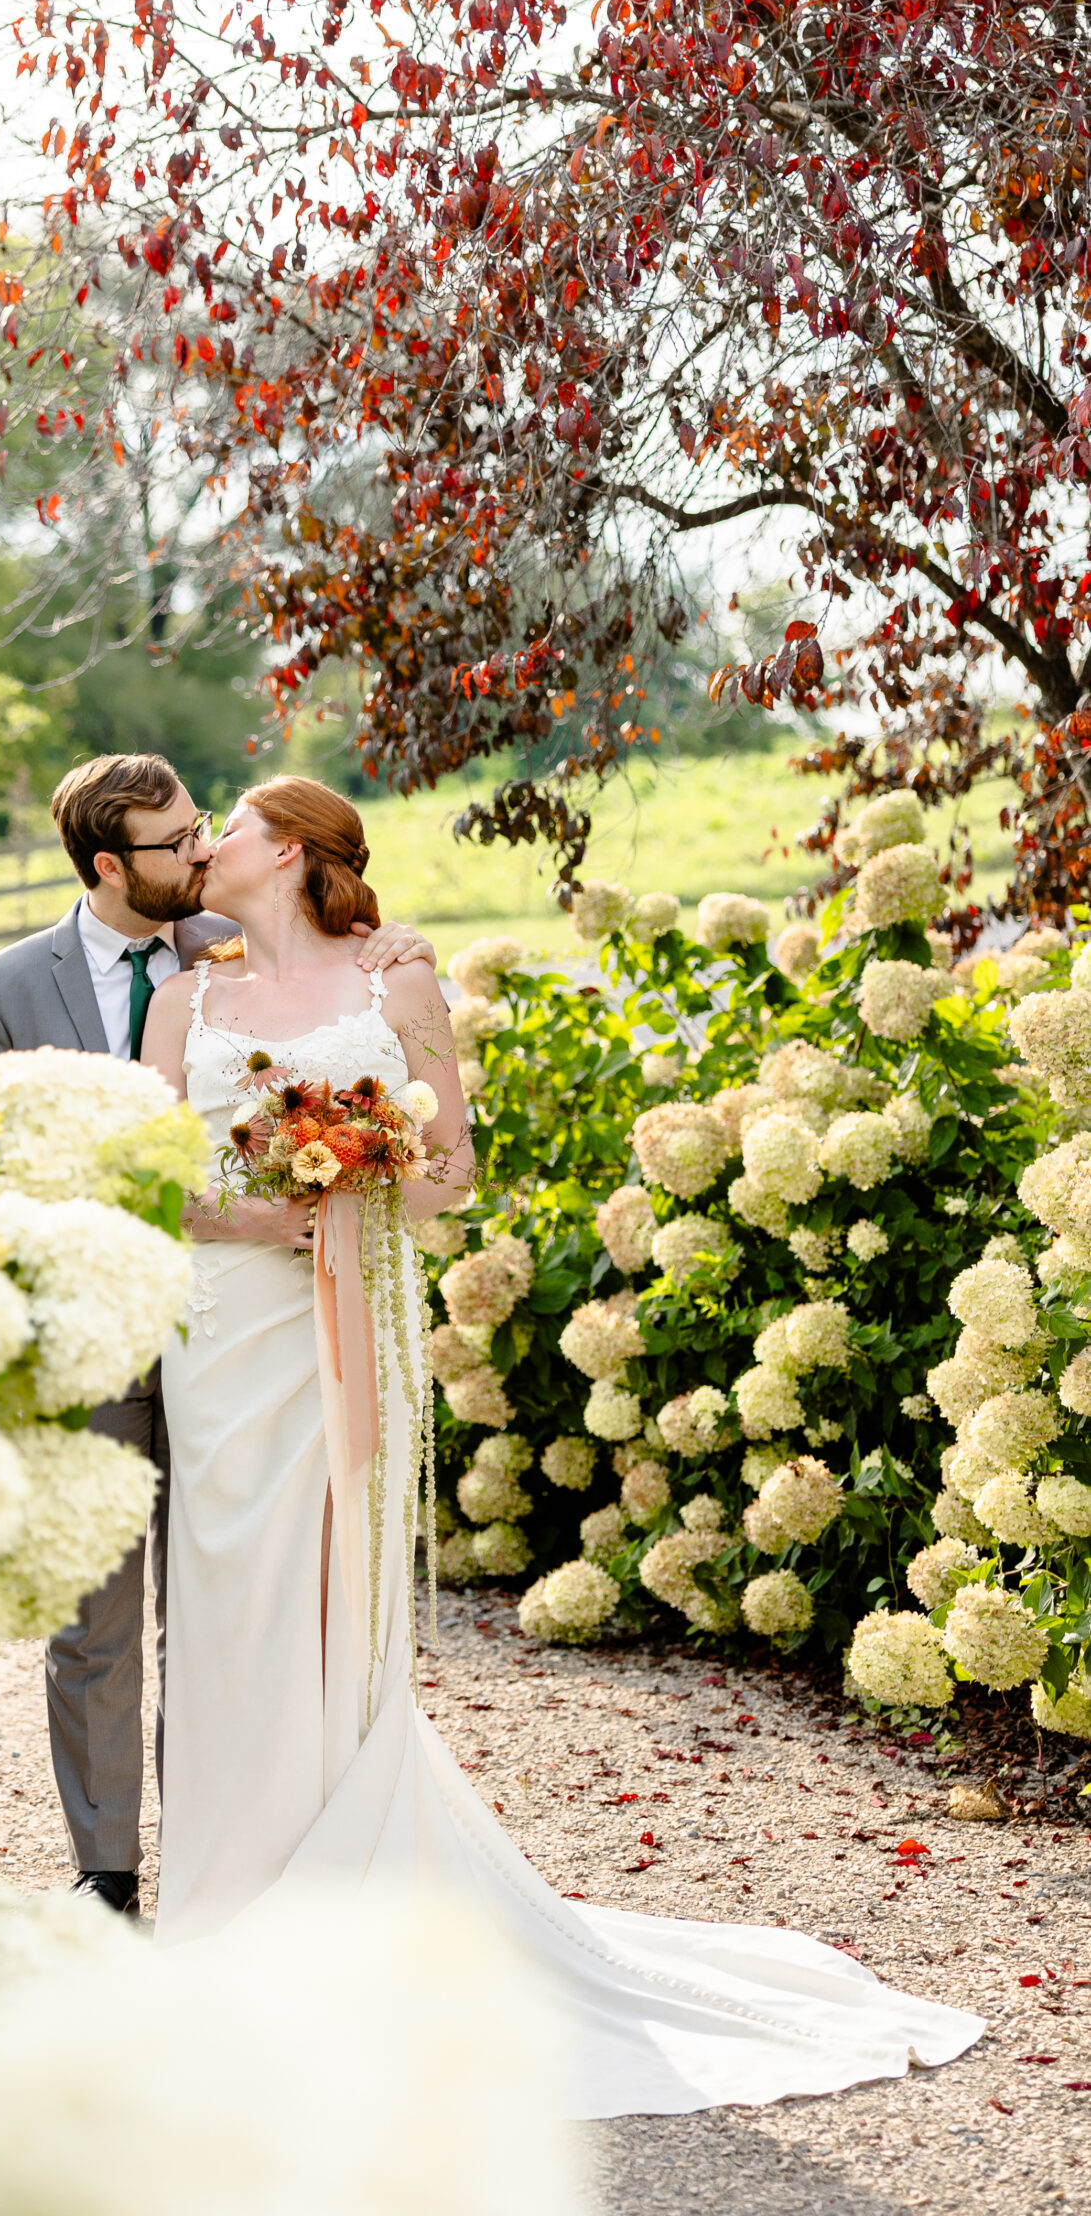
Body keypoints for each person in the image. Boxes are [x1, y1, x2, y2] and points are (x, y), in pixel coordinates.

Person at [140, 774, 984, 2117]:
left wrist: (351, 1173)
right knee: (230, 1596)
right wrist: (255, 1214)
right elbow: (152, 1172)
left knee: (338, 1596)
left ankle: (346, 1894)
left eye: (227, 828)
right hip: (222, 1331)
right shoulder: (183, 999)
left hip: (347, 1321)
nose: (208, 848)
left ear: (290, 851)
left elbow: (450, 1171)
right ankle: (224, 1900)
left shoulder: (395, 980)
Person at [0, 752, 434, 1915]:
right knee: (99, 1613)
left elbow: (336, 944)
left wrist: (394, 946)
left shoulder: (223, 941)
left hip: (253, 1328)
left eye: (205, 827)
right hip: (106, 1327)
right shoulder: (6, 986)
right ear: (111, 866)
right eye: (173, 842)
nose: (200, 850)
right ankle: (107, 1870)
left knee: (229, 1609)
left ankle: (238, 1857)